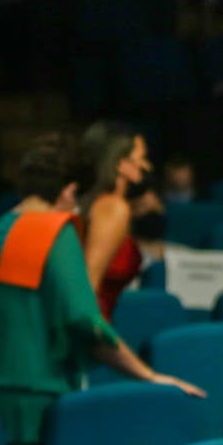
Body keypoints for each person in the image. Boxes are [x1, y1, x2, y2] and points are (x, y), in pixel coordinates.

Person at [0, 132, 202, 445]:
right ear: (68, 191)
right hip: (30, 408)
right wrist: (149, 376)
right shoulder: (56, 231)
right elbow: (85, 321)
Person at [81, 121, 153, 318]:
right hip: (88, 330)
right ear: (121, 164)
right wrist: (112, 347)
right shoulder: (113, 208)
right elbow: (86, 289)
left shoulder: (101, 204)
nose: (147, 165)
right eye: (142, 158)